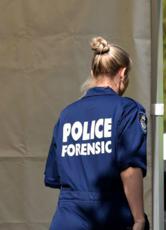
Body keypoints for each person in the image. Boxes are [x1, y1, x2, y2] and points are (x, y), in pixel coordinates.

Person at [44, 36, 149, 230]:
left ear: (93, 72)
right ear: (123, 73)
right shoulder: (128, 110)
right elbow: (130, 169)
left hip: (67, 220)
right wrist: (138, 219)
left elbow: (55, 176)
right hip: (109, 217)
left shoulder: (67, 114)